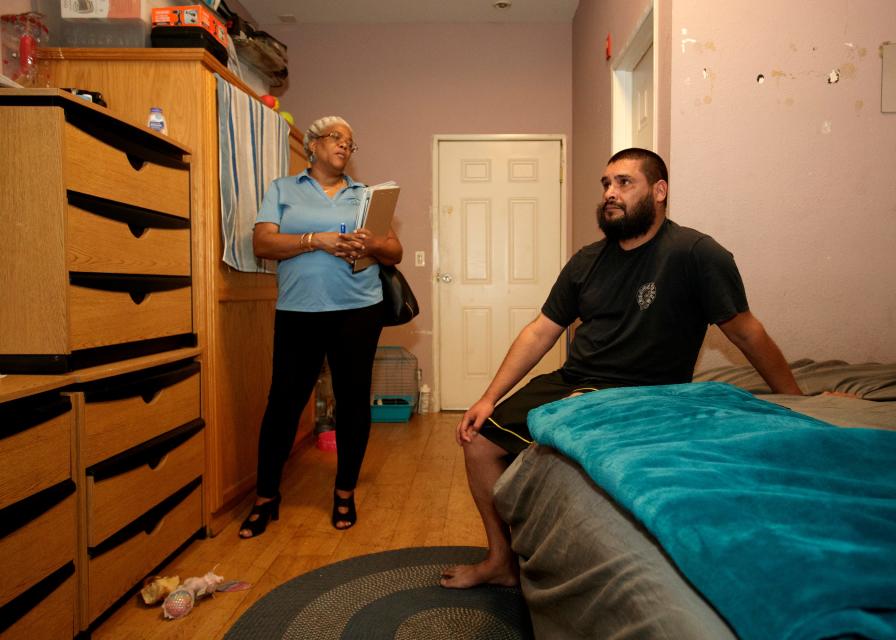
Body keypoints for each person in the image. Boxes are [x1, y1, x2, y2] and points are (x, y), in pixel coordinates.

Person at [440, 147, 803, 588]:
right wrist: (488, 397)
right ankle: (501, 561)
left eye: (624, 183)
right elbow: (541, 330)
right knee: (476, 440)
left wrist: (793, 400)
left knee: (566, 458)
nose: (611, 193)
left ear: (659, 191)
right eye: (607, 184)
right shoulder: (586, 260)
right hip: (576, 380)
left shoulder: (695, 254)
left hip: (641, 391)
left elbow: (746, 332)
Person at [239, 116, 403, 538]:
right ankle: (266, 497)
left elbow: (395, 251)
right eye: (336, 138)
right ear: (312, 146)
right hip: (299, 311)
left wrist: (372, 243)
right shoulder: (282, 189)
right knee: (284, 404)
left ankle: (345, 491)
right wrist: (317, 239)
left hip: (359, 310)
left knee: (352, 403)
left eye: (351, 142)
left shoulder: (364, 196)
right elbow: (262, 243)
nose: (345, 146)